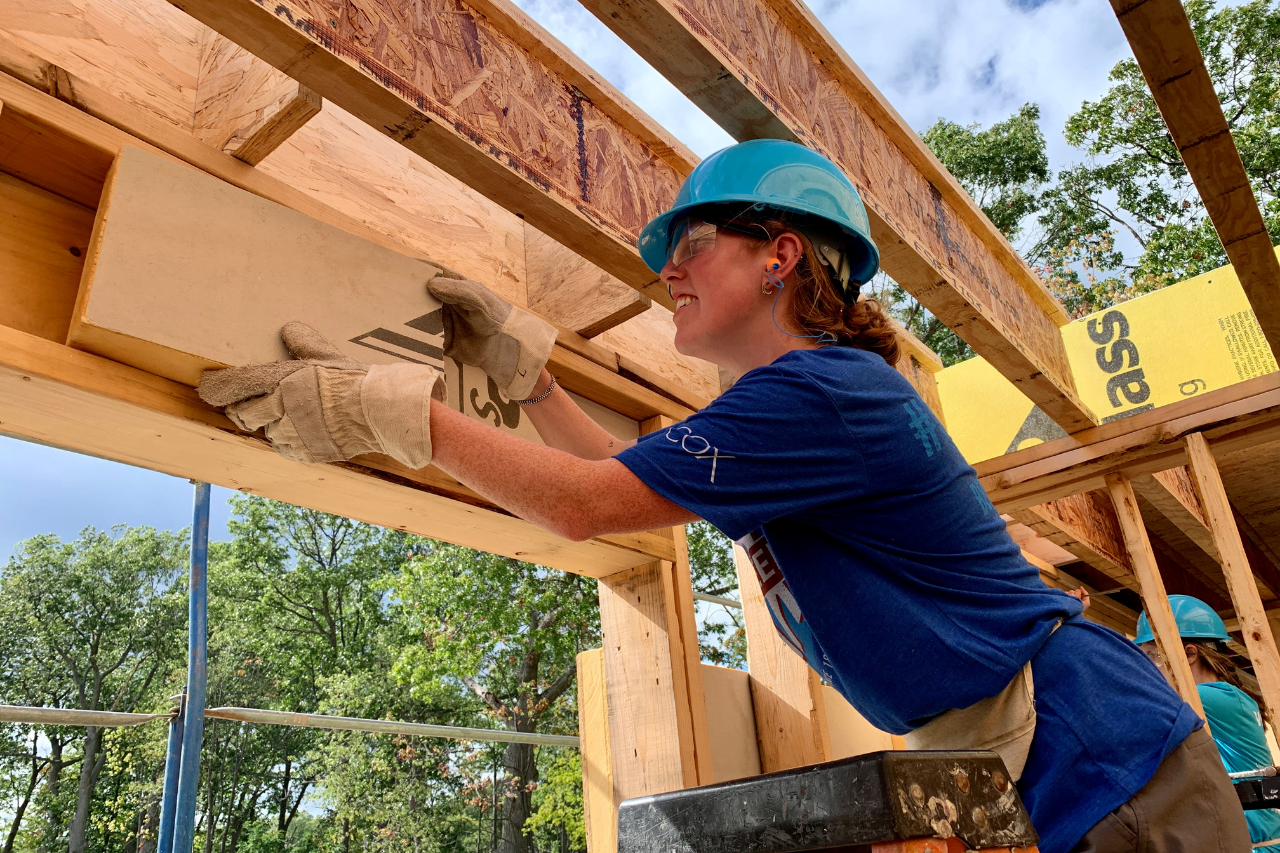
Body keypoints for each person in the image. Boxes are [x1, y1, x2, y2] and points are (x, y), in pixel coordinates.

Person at [198, 139, 1249, 853]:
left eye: (689, 246)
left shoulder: (822, 397)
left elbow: (581, 505)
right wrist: (534, 381)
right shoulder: (796, 419)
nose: (667, 273)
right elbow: (622, 484)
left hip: (1095, 756)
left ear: (779, 257)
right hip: (1036, 750)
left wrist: (398, 414)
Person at [1137, 594, 1280, 850]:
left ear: (1189, 653)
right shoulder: (1228, 698)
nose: (1146, 669)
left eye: (1151, 656)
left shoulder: (1210, 698)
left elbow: (1134, 704)